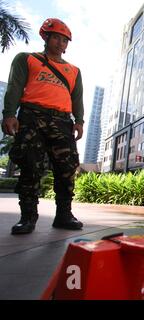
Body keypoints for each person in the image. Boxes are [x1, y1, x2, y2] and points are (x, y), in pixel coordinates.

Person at [1, 18, 84, 235]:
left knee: (67, 169)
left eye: (65, 40)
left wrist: (79, 121)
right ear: (46, 37)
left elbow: (77, 99)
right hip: (31, 117)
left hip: (62, 121)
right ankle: (27, 217)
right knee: (30, 166)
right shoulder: (27, 59)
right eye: (56, 37)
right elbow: (14, 87)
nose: (60, 43)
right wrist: (9, 114)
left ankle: (64, 215)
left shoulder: (74, 71)